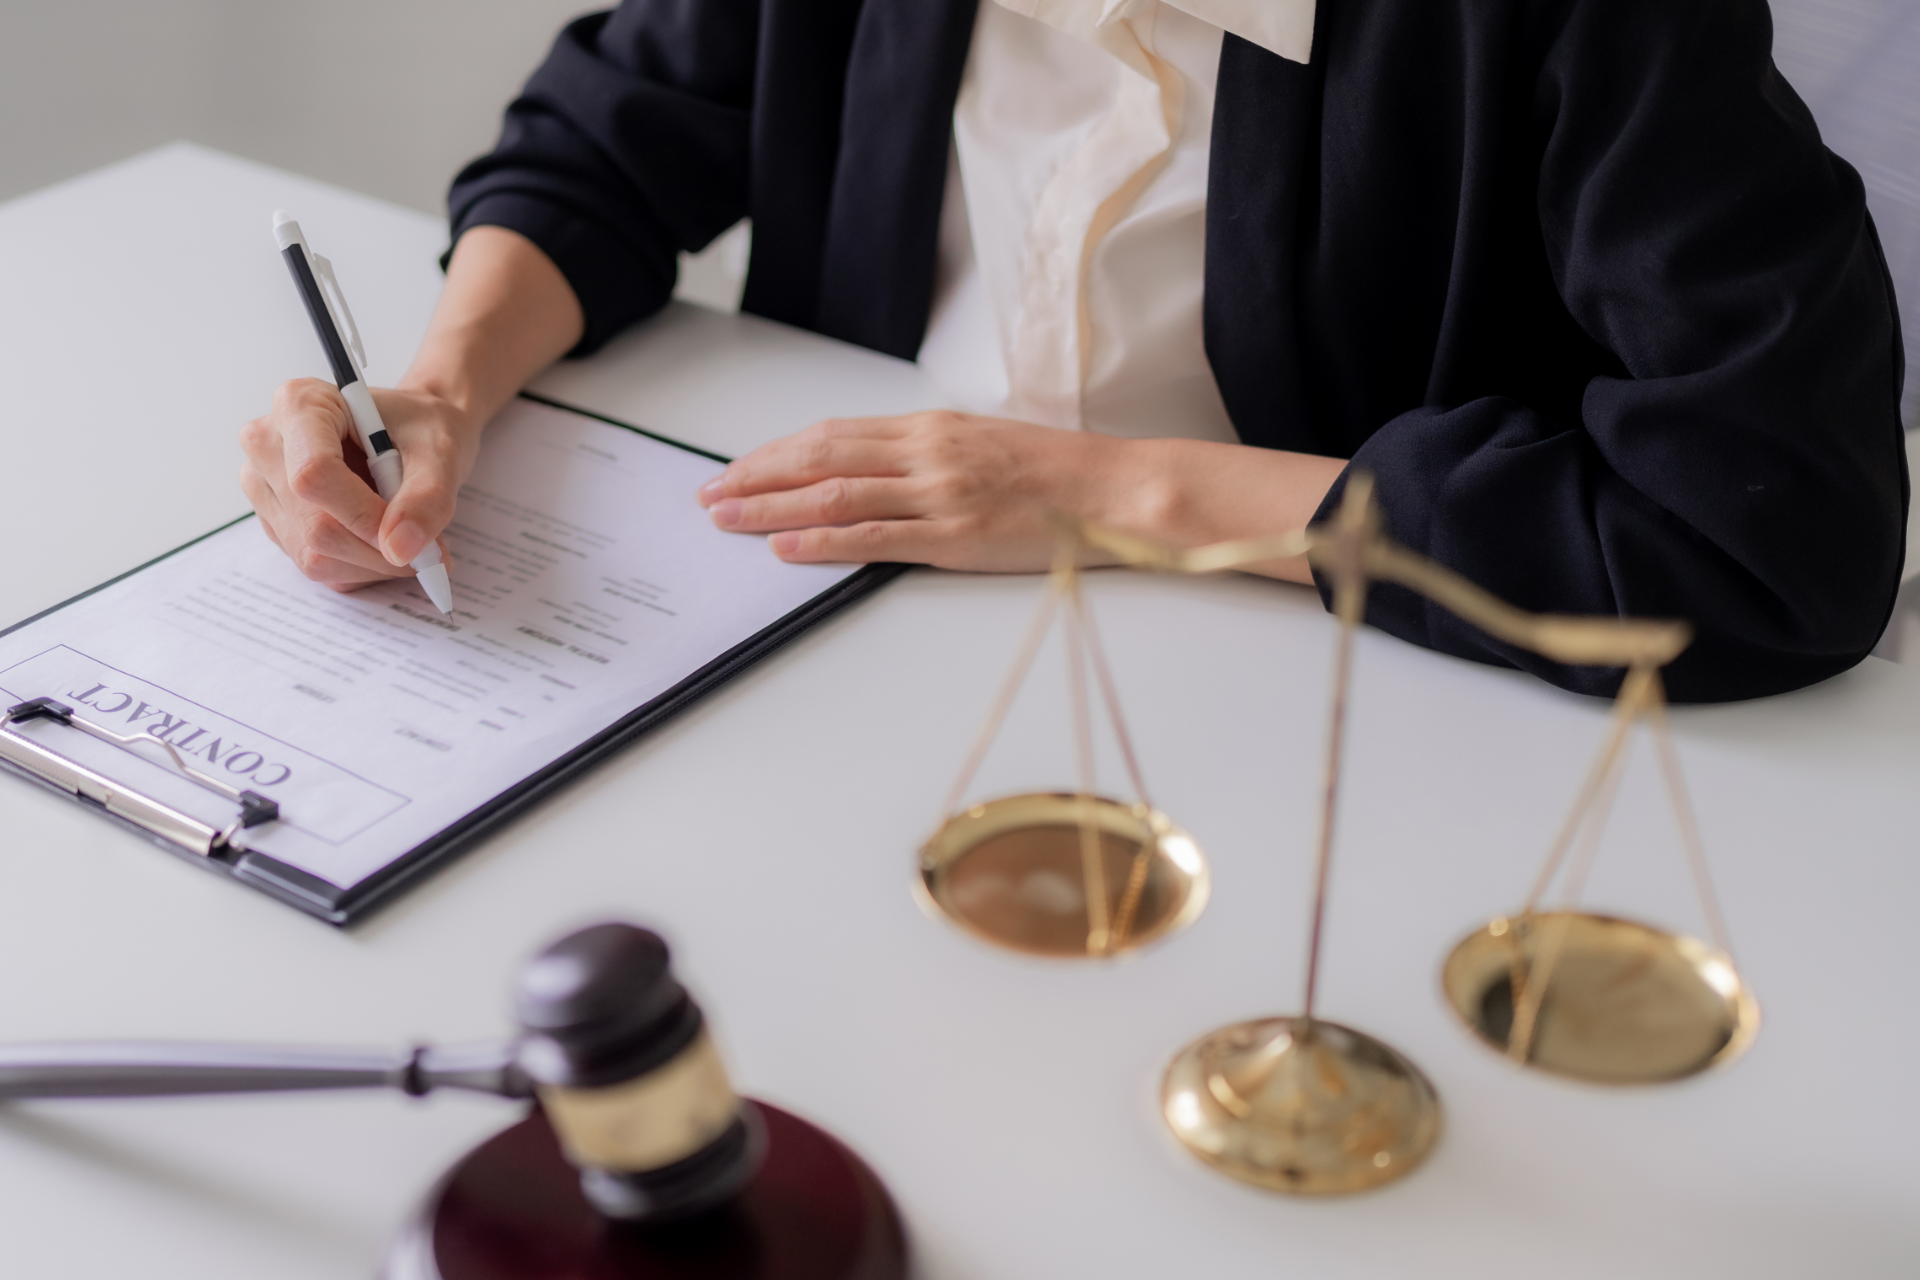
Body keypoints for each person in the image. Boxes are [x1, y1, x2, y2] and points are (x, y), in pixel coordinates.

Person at [238, 0, 1908, 703]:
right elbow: (608, 140)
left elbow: (1779, 538)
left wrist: (1111, 491)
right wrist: (441, 383)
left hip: (1340, 702)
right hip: (851, 647)